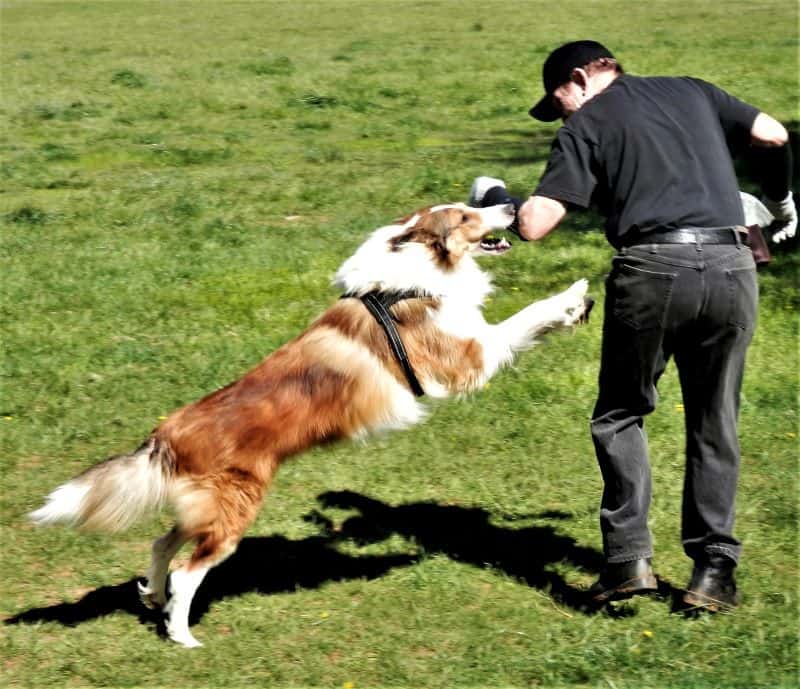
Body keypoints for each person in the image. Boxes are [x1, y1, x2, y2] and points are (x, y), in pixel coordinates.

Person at [469, 40, 796, 612]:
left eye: (559, 101)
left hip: (652, 269)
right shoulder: (693, 90)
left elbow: (539, 222)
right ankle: (714, 571)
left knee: (621, 413)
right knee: (714, 417)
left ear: (578, 78)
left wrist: (496, 197)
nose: (564, 113)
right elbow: (772, 133)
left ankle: (627, 562)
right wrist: (781, 197)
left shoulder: (588, 122)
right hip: (730, 264)